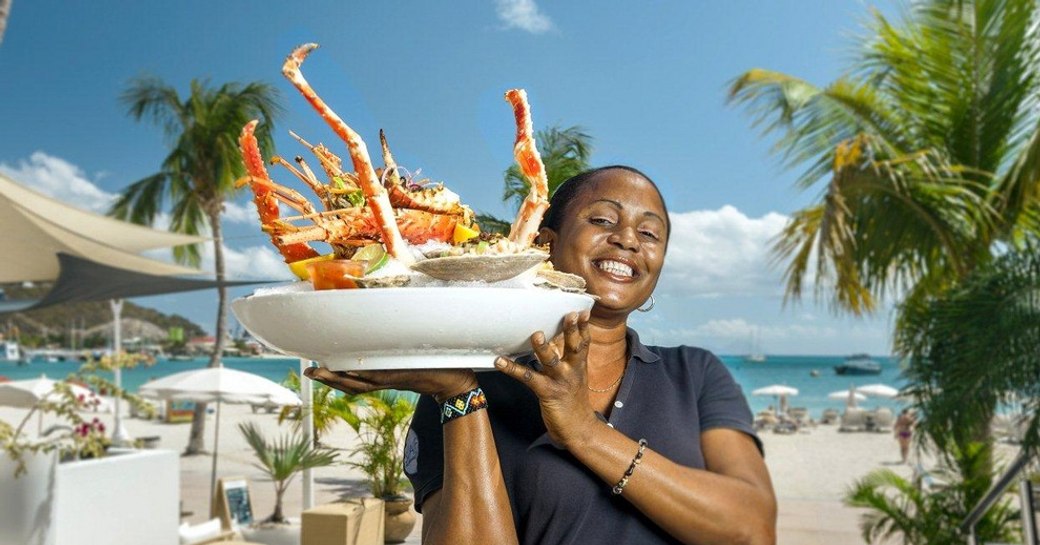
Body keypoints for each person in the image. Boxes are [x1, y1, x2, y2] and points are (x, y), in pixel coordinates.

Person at [305, 166, 777, 545]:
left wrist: (585, 433)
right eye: (603, 220)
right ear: (545, 244)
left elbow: (752, 529)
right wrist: (460, 395)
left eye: (650, 234)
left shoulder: (694, 373)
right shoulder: (466, 383)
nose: (628, 240)